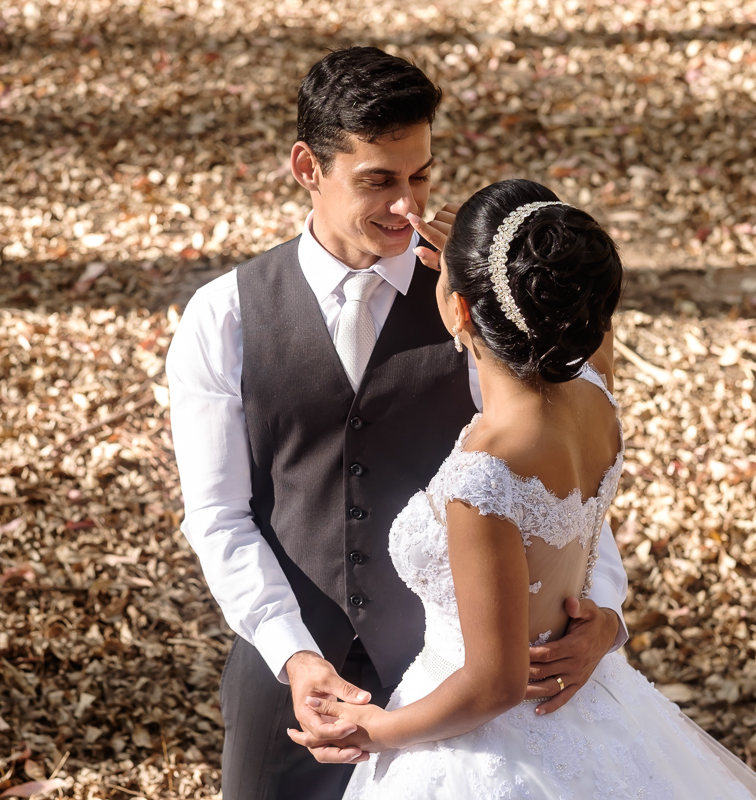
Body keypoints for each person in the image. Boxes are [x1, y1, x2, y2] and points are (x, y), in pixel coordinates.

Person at [166, 48, 630, 799]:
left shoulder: (478, 309)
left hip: (456, 676)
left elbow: (555, 482)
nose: (408, 207)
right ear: (307, 168)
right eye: (378, 180)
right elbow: (218, 515)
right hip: (287, 666)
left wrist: (603, 611)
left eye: (421, 176)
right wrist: (294, 656)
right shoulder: (223, 318)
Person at [290, 178, 756, 799]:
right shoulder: (595, 391)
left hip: (485, 740)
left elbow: (494, 684)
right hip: (590, 702)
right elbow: (588, 314)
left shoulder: (485, 478)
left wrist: (378, 730)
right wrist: (490, 249)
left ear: (460, 311)